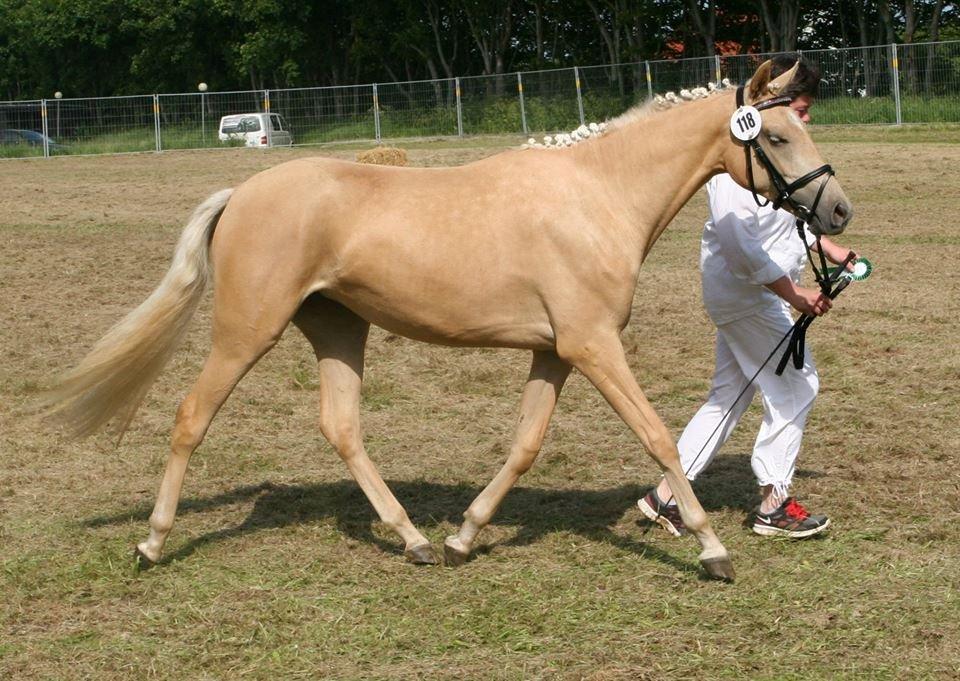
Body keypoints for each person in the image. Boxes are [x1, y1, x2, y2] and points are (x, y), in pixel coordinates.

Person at [639, 55, 857, 539]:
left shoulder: (770, 157)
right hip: (746, 296)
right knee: (797, 385)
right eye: (800, 108)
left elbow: (782, 224)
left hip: (749, 296)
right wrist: (793, 292)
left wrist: (828, 247)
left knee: (729, 396)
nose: (806, 117)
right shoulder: (736, 163)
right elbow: (743, 246)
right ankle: (773, 505)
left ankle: (666, 496)